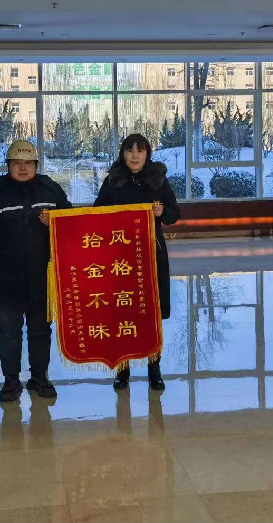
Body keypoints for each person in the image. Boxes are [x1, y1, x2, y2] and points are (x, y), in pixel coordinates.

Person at [0, 140, 72, 402]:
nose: (23, 168)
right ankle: (11, 381)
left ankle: (39, 377)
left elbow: (72, 226)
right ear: (8, 166)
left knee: (40, 331)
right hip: (7, 278)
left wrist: (55, 222)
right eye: (17, 163)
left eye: (28, 163)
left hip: (42, 277)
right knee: (9, 332)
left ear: (36, 165)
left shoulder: (51, 191)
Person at [94, 133, 180, 391]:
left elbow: (174, 213)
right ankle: (122, 369)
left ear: (147, 154)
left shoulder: (158, 180)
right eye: (129, 150)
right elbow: (97, 212)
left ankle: (154, 368)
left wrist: (162, 211)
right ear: (123, 153)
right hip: (120, 258)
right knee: (122, 311)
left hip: (151, 256)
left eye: (139, 151)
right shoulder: (113, 181)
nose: (134, 155)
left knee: (151, 312)